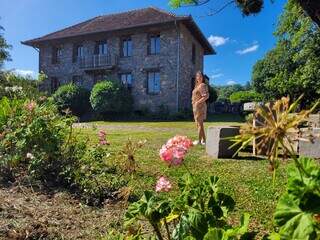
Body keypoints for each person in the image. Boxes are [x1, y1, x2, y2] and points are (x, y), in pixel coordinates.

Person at [192, 71, 209, 145]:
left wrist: (197, 102)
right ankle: (204, 140)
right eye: (198, 76)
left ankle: (199, 141)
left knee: (199, 123)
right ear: (196, 78)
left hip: (200, 106)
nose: (199, 77)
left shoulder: (202, 85)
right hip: (196, 106)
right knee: (199, 124)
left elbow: (206, 96)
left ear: (203, 78)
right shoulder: (197, 86)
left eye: (201, 76)